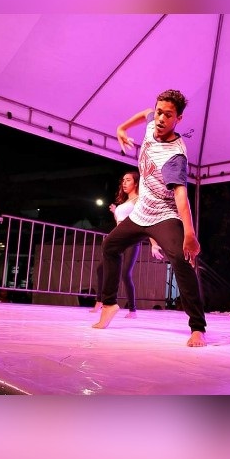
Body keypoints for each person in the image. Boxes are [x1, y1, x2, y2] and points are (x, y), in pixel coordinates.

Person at [91, 89, 208, 347]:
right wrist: (121, 128)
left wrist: (189, 233)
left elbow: (181, 196)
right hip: (141, 212)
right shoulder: (151, 124)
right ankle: (109, 304)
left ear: (178, 119)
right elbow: (143, 114)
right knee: (110, 246)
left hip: (164, 215)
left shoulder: (175, 156)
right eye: (159, 112)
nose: (161, 119)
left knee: (181, 260)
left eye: (168, 115)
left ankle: (197, 328)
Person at [89, 172, 163, 317]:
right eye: (123, 180)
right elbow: (120, 224)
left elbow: (146, 222)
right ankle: (100, 301)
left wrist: (154, 244)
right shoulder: (124, 203)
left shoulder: (138, 200)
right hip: (118, 240)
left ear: (136, 183)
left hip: (131, 241)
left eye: (128, 180)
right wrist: (115, 212)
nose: (124, 183)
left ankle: (132, 310)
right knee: (100, 268)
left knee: (125, 274)